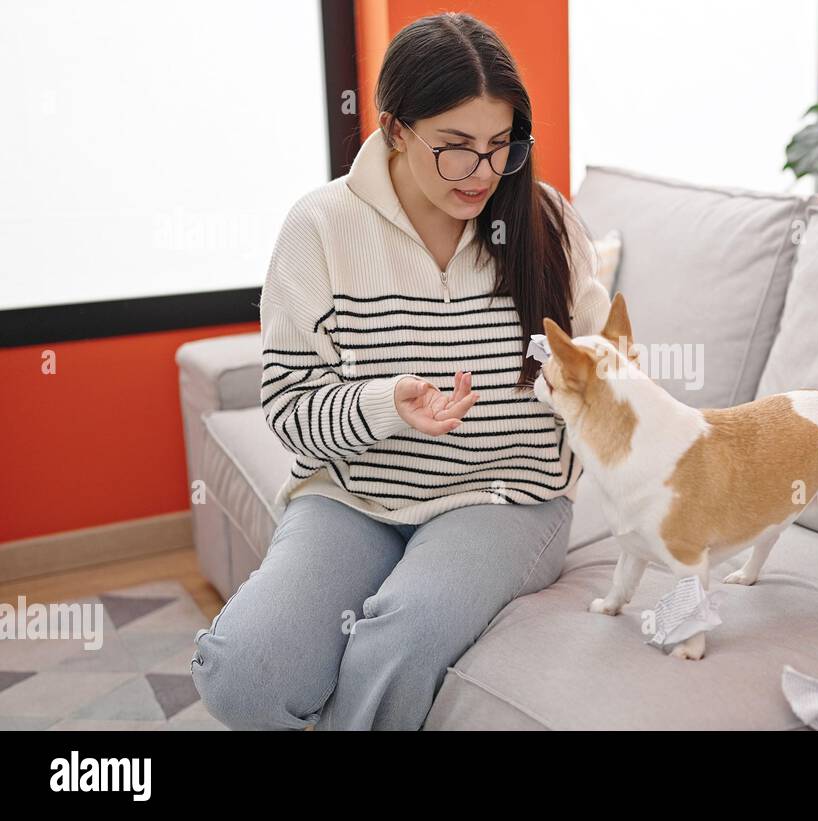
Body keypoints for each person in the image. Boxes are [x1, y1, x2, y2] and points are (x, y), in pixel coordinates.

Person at [191, 11, 611, 730]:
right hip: (354, 498)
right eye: (454, 148)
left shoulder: (546, 221)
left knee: (398, 638)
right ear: (394, 129)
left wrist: (593, 385)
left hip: (504, 498)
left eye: (499, 145)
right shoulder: (320, 227)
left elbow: (600, 371)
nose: (481, 173)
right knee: (244, 671)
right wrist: (386, 403)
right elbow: (291, 408)